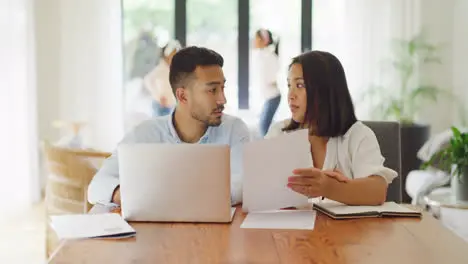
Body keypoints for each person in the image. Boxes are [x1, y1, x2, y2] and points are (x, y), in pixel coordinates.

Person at [88, 46, 251, 206]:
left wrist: (168, 196)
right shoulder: (144, 134)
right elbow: (97, 187)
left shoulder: (234, 130)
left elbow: (242, 185)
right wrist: (127, 196)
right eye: (212, 90)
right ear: (183, 96)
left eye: (222, 88)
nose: (223, 99)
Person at [265, 51, 397, 206]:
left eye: (300, 85)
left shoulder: (358, 135)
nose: (290, 95)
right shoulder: (278, 132)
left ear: (324, 90)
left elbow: (377, 191)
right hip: (289, 229)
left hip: (350, 230)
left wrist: (329, 187)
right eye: (289, 85)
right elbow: (259, 187)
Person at [251, 29, 281, 137]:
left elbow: (272, 77)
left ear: (264, 40)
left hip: (273, 96)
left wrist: (270, 82)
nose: (254, 41)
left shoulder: (269, 56)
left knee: (264, 128)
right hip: (269, 97)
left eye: (257, 38)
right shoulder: (261, 55)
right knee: (264, 127)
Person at [144, 39, 182, 116]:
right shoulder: (161, 69)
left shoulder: (173, 69)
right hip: (161, 105)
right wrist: (158, 96)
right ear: (166, 55)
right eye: (173, 55)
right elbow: (147, 80)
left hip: (171, 105)